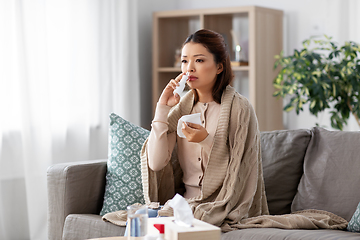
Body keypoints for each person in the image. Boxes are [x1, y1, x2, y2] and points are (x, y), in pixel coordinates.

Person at [140, 29, 269, 231]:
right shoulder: (181, 109)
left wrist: (206, 140)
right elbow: (156, 164)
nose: (189, 68)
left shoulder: (240, 109)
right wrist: (162, 108)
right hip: (185, 205)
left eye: (199, 61)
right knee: (142, 222)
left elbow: (240, 171)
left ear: (219, 66)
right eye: (184, 61)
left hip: (223, 205)